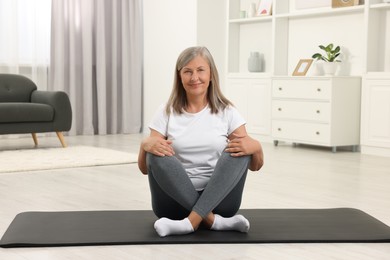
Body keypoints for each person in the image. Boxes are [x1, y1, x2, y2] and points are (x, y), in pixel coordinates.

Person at [138, 46, 264, 237]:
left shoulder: (227, 111)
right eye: (187, 71)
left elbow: (254, 166)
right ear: (180, 77)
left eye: (200, 70)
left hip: (221, 202)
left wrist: (257, 146)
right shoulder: (166, 111)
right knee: (156, 153)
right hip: (173, 205)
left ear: (211, 75)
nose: (194, 77)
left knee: (239, 150)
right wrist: (144, 145)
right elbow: (146, 168)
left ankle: (189, 223)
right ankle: (213, 222)